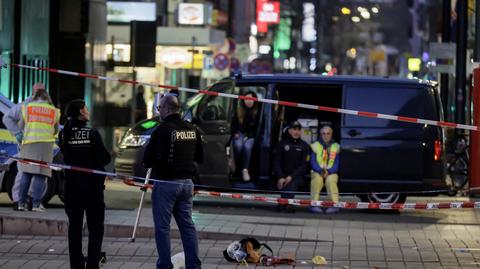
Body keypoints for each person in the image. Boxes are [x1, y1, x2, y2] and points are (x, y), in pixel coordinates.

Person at [143, 93, 203, 269]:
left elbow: (148, 159)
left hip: (166, 183)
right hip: (186, 183)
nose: (159, 111)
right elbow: (199, 157)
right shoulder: (192, 129)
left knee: (162, 227)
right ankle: (194, 264)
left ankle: (164, 265)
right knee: (187, 226)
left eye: (159, 108)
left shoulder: (162, 130)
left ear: (167, 109)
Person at [59, 99, 111, 269]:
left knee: (74, 228)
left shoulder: (64, 133)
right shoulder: (92, 133)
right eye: (86, 108)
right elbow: (104, 158)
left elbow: (66, 155)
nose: (88, 111)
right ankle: (93, 264)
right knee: (95, 228)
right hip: (92, 189)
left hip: (72, 187)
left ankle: (76, 264)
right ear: (81, 111)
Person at [3, 82, 45, 210]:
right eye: (37, 90)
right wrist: (17, 133)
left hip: (41, 144)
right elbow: (7, 118)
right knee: (23, 173)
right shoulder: (23, 106)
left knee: (38, 173)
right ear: (32, 91)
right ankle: (18, 200)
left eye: (42, 91)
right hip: (27, 144)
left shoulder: (46, 107)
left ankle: (30, 199)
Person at [17, 89, 59, 212]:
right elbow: (55, 130)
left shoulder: (27, 108)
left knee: (26, 174)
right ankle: (36, 205)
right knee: (40, 176)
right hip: (45, 146)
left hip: (29, 144)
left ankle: (21, 204)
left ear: (35, 97)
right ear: (48, 98)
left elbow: (20, 126)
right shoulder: (54, 111)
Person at [272, 121, 310, 213]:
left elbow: (304, 166)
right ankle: (286, 203)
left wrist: (291, 176)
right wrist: (280, 177)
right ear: (289, 131)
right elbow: (276, 162)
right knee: (285, 181)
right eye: (294, 129)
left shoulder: (305, 146)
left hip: (297, 176)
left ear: (301, 132)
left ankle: (285, 203)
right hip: (282, 175)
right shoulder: (282, 144)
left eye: (298, 130)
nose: (296, 132)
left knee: (291, 182)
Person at [309, 125, 341, 214]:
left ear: (331, 135)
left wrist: (329, 172)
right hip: (317, 171)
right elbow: (312, 162)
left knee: (330, 181)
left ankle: (335, 205)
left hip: (331, 172)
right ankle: (314, 204)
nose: (326, 136)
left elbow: (337, 163)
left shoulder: (336, 146)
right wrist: (320, 171)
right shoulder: (315, 145)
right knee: (317, 180)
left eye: (328, 134)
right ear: (320, 134)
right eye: (323, 134)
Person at [230, 91, 260, 181]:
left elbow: (257, 128)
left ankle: (245, 170)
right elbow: (233, 125)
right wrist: (235, 132)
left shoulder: (258, 112)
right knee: (238, 146)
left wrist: (248, 137)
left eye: (250, 99)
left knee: (247, 146)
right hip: (240, 134)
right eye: (246, 99)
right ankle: (236, 168)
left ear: (254, 100)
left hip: (252, 136)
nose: (248, 101)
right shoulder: (239, 111)